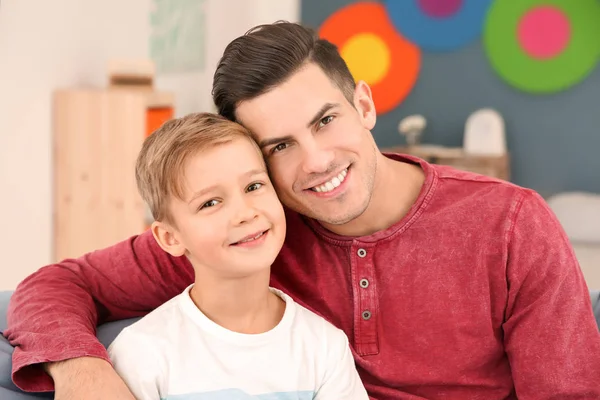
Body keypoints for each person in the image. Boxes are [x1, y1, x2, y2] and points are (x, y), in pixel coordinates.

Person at [5, 21, 600, 400]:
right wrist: (82, 370)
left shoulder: (512, 224)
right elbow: (56, 284)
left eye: (325, 120)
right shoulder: (250, 235)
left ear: (363, 104)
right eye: (279, 147)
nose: (315, 162)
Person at [105, 112, 368, 399]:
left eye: (253, 186)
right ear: (170, 238)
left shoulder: (324, 348)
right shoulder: (141, 353)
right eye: (210, 203)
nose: (245, 213)